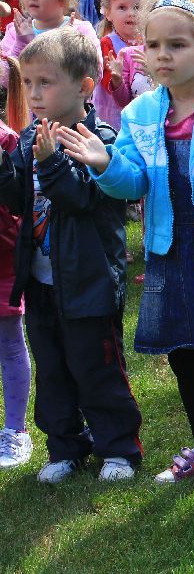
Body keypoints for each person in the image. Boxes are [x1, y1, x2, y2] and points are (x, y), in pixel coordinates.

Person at [59, 0, 194, 502]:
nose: (162, 56)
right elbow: (133, 184)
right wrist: (105, 164)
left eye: (177, 45)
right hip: (168, 249)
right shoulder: (140, 113)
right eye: (153, 45)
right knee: (183, 355)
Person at [0, 28, 142, 484]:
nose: (35, 94)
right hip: (41, 284)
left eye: (47, 82)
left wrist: (50, 163)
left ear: (84, 86)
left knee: (97, 367)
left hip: (89, 282)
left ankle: (117, 447)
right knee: (54, 369)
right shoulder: (27, 140)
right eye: (28, 83)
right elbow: (17, 201)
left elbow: (81, 200)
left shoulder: (97, 139)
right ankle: (65, 446)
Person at [0, 54, 31, 469]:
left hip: (3, 261)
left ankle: (15, 431)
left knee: (9, 343)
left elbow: (15, 210)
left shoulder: (6, 142)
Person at [94, 0, 148, 132]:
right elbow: (106, 80)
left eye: (137, 7)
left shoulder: (149, 43)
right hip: (112, 113)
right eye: (122, 8)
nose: (131, 13)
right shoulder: (107, 43)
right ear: (108, 14)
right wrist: (116, 78)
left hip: (140, 113)